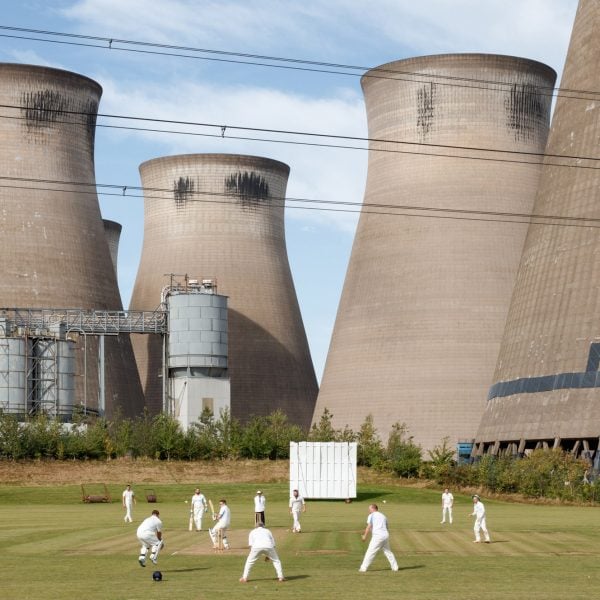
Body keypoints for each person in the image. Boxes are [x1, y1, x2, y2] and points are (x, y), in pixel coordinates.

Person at [359, 503, 398, 572]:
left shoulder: (371, 515)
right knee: (388, 552)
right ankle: (395, 567)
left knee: (370, 552)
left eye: (369, 509)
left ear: (373, 508)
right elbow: (387, 527)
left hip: (378, 536)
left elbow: (369, 526)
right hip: (385, 535)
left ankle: (363, 568)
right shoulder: (383, 516)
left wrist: (365, 536)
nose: (369, 510)